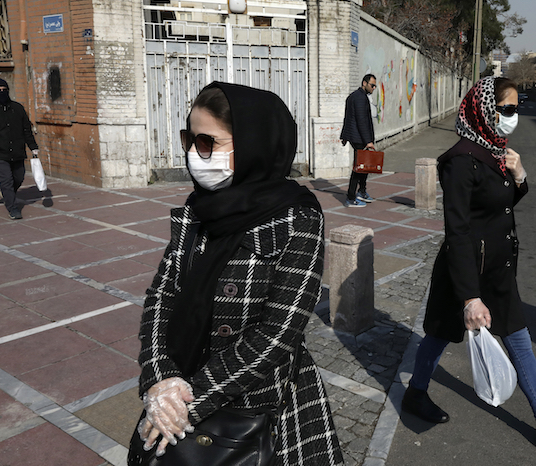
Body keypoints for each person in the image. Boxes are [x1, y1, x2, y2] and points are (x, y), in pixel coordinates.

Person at [132, 82, 344, 465]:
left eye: (208, 142)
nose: (196, 154)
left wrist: (187, 404)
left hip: (260, 408)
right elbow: (162, 295)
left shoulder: (299, 217)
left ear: (252, 144)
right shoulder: (199, 208)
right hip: (176, 387)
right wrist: (158, 380)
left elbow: (280, 332)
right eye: (190, 139)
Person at [401, 76, 536, 451]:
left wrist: (519, 176)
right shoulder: (460, 161)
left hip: (498, 267)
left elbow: (498, 208)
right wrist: (470, 299)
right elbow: (457, 232)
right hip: (464, 271)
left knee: (519, 339)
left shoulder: (495, 151)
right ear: (485, 110)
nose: (513, 117)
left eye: (515, 109)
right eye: (506, 110)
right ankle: (416, 394)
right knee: (440, 334)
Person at [0, 76, 39, 220]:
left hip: (18, 150)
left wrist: (33, 147)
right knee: (6, 180)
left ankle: (7, 193)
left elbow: (27, 129)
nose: (2, 92)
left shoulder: (17, 108)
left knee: (19, 177)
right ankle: (13, 208)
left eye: (4, 89)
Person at [340, 74, 377, 208]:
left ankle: (361, 191)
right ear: (364, 83)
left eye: (375, 86)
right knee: (359, 168)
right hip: (360, 138)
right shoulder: (361, 98)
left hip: (354, 136)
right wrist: (368, 141)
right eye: (372, 85)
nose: (374, 88)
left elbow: (348, 118)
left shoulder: (352, 96)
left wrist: (344, 135)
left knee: (363, 166)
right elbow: (362, 121)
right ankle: (351, 197)